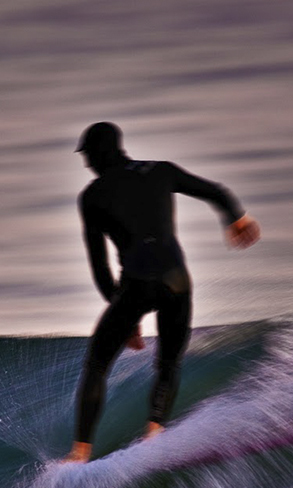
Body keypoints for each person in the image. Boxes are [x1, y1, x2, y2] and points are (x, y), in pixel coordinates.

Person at [64, 122, 260, 463]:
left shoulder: (93, 196)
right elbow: (216, 191)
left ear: (98, 154)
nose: (86, 164)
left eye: (87, 156)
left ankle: (80, 453)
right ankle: (154, 434)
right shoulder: (161, 171)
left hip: (136, 284)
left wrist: (122, 311)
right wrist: (237, 219)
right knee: (168, 364)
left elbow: (99, 267)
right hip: (177, 281)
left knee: (97, 365)